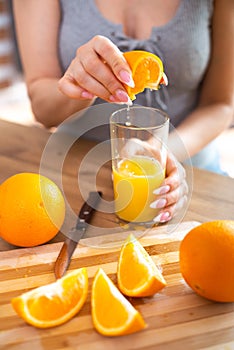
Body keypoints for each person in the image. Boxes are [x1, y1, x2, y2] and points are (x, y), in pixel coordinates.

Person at [13, 0, 234, 223]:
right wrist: (81, 85)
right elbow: (43, 110)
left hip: (192, 175)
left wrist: (161, 151)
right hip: (75, 176)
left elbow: (221, 105)